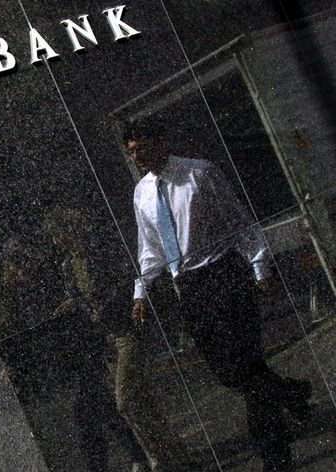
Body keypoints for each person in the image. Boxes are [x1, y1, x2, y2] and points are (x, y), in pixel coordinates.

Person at [124, 119, 313, 472]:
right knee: (228, 372)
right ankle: (290, 393)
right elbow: (148, 248)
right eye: (132, 151)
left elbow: (238, 221)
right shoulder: (143, 192)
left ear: (162, 141)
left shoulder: (200, 174)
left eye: (143, 147)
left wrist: (260, 267)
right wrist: (142, 291)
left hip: (223, 273)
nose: (139, 156)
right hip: (190, 287)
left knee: (248, 364)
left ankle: (275, 456)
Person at [44, 206, 150, 472]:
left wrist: (99, 310)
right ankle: (154, 455)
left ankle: (151, 457)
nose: (57, 242)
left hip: (122, 331)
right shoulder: (69, 265)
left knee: (125, 400)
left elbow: (119, 282)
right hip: (106, 340)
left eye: (59, 234)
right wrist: (80, 306)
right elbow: (80, 296)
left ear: (70, 230)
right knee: (129, 405)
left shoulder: (96, 249)